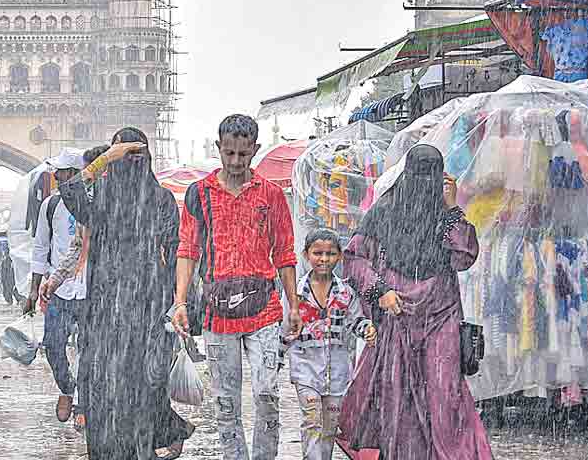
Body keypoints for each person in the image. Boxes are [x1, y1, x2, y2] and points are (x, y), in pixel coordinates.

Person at [41, 129, 194, 459]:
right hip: (104, 311)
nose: (131, 163)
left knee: (144, 387)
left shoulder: (160, 199)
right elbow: (70, 190)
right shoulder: (102, 199)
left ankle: (147, 446)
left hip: (148, 310)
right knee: (103, 391)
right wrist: (105, 159)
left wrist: (179, 304)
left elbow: (175, 254)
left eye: (137, 156)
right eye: (124, 156)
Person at [338, 144, 492, 460]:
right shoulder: (384, 210)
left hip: (441, 313)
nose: (424, 184)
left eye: (430, 176)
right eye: (419, 175)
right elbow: (353, 259)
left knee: (444, 392)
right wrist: (381, 291)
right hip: (398, 313)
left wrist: (452, 209)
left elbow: (465, 257)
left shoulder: (446, 214)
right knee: (397, 392)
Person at [171, 114, 301, 460]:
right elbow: (187, 250)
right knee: (226, 402)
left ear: (255, 150)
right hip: (217, 312)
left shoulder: (271, 195)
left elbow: (285, 253)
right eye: (229, 153)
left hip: (265, 310)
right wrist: (180, 302)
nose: (235, 161)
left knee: (267, 394)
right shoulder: (199, 194)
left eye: (243, 154)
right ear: (219, 148)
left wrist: (294, 305)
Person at [286, 229, 376, 460]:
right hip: (305, 370)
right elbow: (284, 332)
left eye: (330, 254)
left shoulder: (346, 293)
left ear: (340, 256)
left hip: (337, 373)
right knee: (312, 421)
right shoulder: (296, 295)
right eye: (318, 253)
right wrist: (272, 365)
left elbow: (355, 321)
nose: (324, 259)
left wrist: (367, 329)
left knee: (329, 427)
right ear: (306, 255)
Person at [25, 148, 95, 429]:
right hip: (61, 290)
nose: (55, 176)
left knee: (89, 348)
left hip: (92, 289)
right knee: (53, 346)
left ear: (75, 174)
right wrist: (34, 289)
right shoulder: (51, 205)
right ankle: (67, 387)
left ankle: (83, 404)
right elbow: (41, 246)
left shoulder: (95, 203)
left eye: (61, 172)